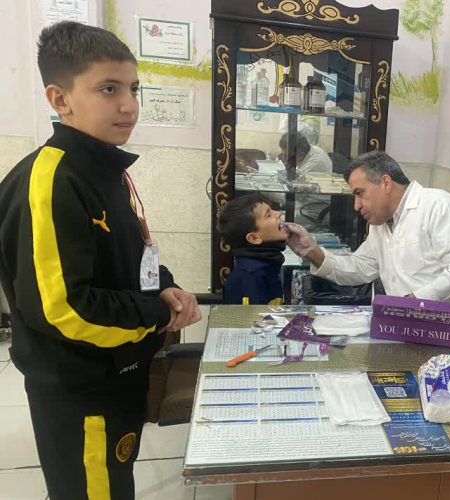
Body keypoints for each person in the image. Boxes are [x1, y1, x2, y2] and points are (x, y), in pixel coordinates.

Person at [0, 22, 201, 500]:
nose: (129, 105)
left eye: (134, 89)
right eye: (108, 89)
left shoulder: (104, 169)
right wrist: (156, 313)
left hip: (118, 374)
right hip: (80, 388)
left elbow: (131, 256)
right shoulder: (52, 180)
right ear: (60, 98)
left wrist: (164, 285)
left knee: (113, 483)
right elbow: (63, 309)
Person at [284, 151, 450, 305]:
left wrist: (412, 302)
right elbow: (360, 267)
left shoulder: (439, 205)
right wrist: (312, 252)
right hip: (403, 325)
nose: (356, 206)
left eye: (360, 193)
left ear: (386, 183)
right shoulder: (380, 224)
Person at [218, 194, 287, 305]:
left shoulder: (269, 262)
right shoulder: (251, 277)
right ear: (254, 238)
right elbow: (254, 315)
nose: (278, 213)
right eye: (268, 215)